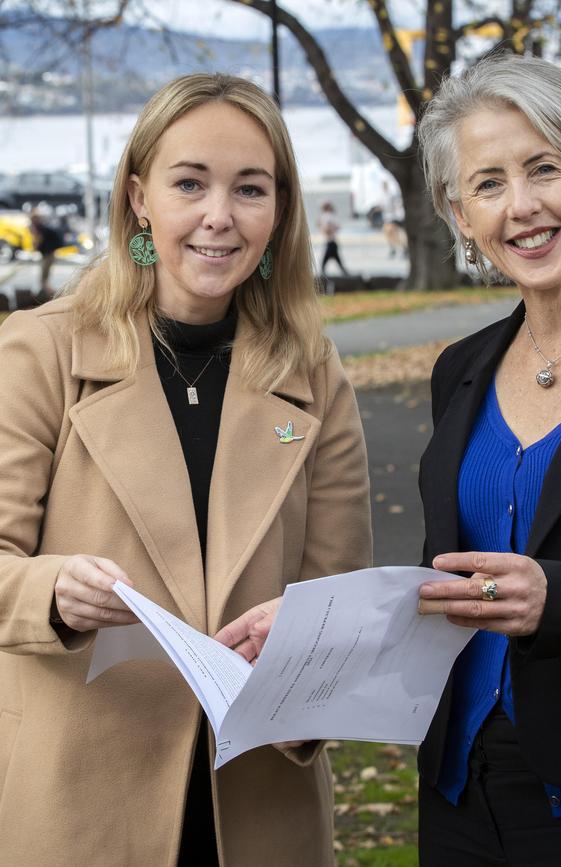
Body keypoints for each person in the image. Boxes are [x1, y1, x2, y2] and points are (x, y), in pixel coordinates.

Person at [0, 73, 371, 867]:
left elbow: (345, 601)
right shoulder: (40, 351)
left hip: (262, 806)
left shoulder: (314, 371)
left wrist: (304, 642)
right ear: (139, 197)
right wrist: (53, 590)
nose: (219, 216)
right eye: (190, 183)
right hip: (83, 806)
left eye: (249, 188)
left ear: (279, 210)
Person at [415, 53, 561, 865]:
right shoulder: (462, 370)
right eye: (488, 183)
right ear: (461, 213)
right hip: (459, 797)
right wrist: (316, 636)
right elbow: (442, 580)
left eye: (543, 168)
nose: (522, 206)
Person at [29, 209, 64, 297]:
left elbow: (38, 241)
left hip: (48, 254)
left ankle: (52, 295)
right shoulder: (42, 227)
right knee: (44, 278)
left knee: (43, 279)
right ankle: (50, 294)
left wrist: (35, 245)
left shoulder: (40, 228)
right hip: (47, 254)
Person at [318, 200, 349, 277]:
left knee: (327, 258)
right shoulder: (329, 215)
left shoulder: (326, 216)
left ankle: (322, 273)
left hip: (330, 241)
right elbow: (337, 226)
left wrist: (327, 230)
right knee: (334, 258)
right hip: (331, 241)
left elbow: (327, 227)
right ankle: (343, 272)